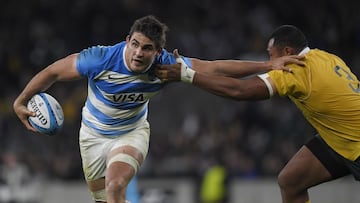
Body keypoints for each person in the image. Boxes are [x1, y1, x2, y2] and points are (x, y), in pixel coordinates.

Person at [13, 13, 302, 203]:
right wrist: (20, 100)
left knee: (115, 188)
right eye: (135, 44)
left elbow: (216, 67)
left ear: (157, 51)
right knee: (105, 199)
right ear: (127, 41)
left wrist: (268, 65)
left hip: (131, 133)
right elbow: (52, 72)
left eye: (147, 48)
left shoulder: (166, 66)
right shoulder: (99, 59)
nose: (139, 53)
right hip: (92, 136)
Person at [156, 25, 360, 203]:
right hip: (338, 139)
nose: (270, 61)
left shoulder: (295, 70)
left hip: (356, 144)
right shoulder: (327, 57)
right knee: (291, 180)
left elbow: (241, 91)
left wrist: (188, 76)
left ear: (288, 51)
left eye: (272, 55)